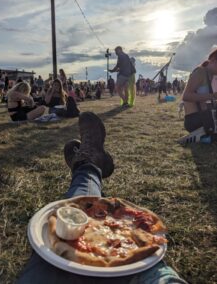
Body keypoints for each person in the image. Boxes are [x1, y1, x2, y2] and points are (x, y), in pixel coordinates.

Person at [16, 112, 187, 284]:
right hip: (150, 277)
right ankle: (90, 162)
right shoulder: (147, 244)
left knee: (76, 205)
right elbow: (153, 243)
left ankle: (87, 164)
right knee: (86, 204)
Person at [183, 48, 217, 133]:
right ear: (213, 60)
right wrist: (213, 96)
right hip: (194, 119)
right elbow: (186, 96)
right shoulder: (200, 72)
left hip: (205, 116)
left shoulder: (212, 76)